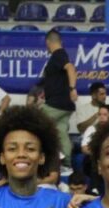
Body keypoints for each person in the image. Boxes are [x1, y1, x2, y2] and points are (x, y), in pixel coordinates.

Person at [40, 29, 77, 171]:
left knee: (33, 122)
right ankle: (67, 165)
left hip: (56, 104)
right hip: (65, 105)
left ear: (48, 42)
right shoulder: (60, 55)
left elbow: (70, 68)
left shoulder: (58, 55)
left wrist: (73, 88)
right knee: (61, 132)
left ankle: (39, 157)